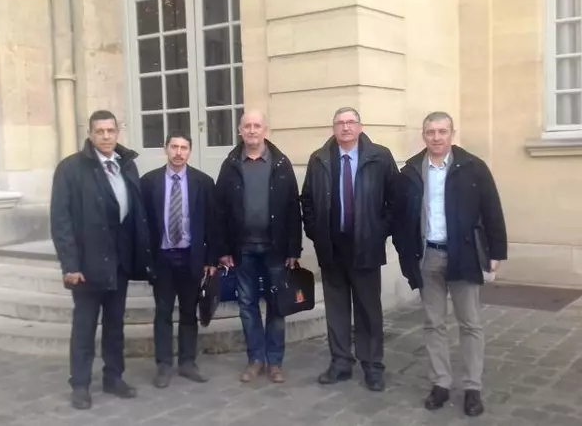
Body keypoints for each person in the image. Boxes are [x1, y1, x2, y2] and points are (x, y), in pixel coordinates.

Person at [392, 111, 507, 417]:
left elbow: (492, 209)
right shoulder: (412, 171)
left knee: (470, 323)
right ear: (423, 136)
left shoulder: (473, 167)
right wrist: (406, 254)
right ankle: (440, 383)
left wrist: (497, 251)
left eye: (442, 131)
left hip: (464, 254)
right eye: (431, 132)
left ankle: (472, 387)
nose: (437, 137)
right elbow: (401, 218)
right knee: (433, 323)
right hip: (428, 255)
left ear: (452, 134)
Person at [50, 109, 153, 409]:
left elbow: (136, 215)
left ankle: (114, 376)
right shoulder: (71, 169)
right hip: (87, 265)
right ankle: (80, 384)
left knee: (114, 324)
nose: (106, 136)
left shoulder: (127, 165)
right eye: (100, 132)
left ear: (118, 132)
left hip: (119, 263)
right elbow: (61, 221)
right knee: (84, 327)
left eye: (111, 131)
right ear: (90, 134)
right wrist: (70, 265)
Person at [301, 106, 397, 392]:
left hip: (366, 245)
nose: (345, 127)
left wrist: (380, 230)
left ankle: (372, 366)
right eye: (340, 123)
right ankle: (341, 362)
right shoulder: (319, 159)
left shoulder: (380, 157)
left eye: (350, 122)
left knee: (369, 309)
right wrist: (316, 232)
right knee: (337, 309)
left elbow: (395, 198)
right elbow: (306, 199)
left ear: (360, 126)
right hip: (332, 246)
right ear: (333, 128)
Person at [215, 110, 302, 383]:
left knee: (277, 304)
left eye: (257, 126)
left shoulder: (281, 163)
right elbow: (220, 211)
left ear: (266, 130)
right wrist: (223, 248)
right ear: (240, 131)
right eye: (247, 126)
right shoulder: (230, 165)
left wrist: (293, 250)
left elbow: (292, 209)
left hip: (275, 248)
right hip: (243, 249)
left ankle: (274, 361)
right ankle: (255, 359)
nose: (252, 130)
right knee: (247, 305)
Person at [140, 131, 219, 388]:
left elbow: (212, 223)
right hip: (162, 257)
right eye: (174, 147)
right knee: (162, 313)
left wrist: (210, 258)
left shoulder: (203, 182)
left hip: (190, 257)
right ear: (166, 149)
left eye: (184, 148)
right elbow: (142, 225)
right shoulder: (149, 182)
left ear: (190, 151)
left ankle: (187, 362)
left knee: (188, 312)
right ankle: (163, 365)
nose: (178, 153)